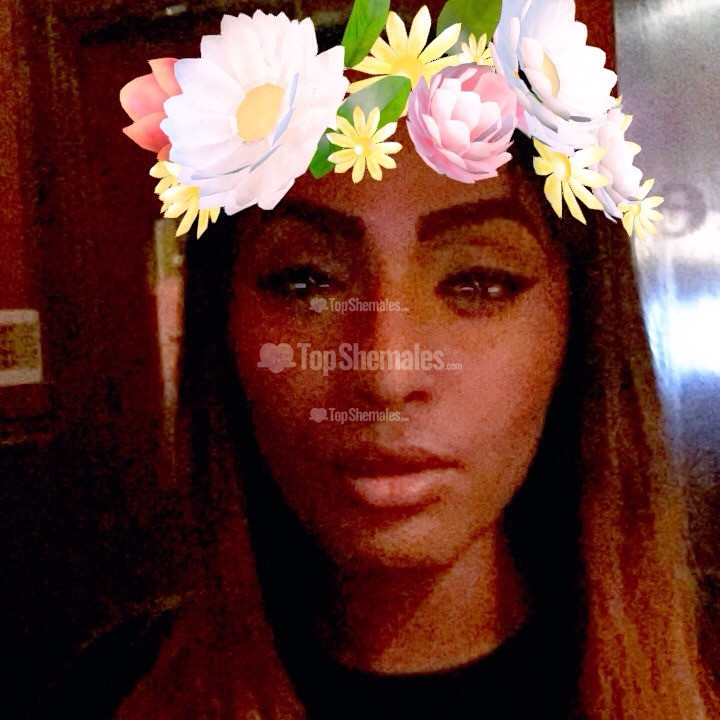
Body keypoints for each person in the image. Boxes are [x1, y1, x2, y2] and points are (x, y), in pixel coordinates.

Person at [31, 2, 720, 719]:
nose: (387, 375)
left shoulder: (704, 664)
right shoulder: (113, 696)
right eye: (306, 282)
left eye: (478, 282)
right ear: (222, 327)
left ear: (579, 324)